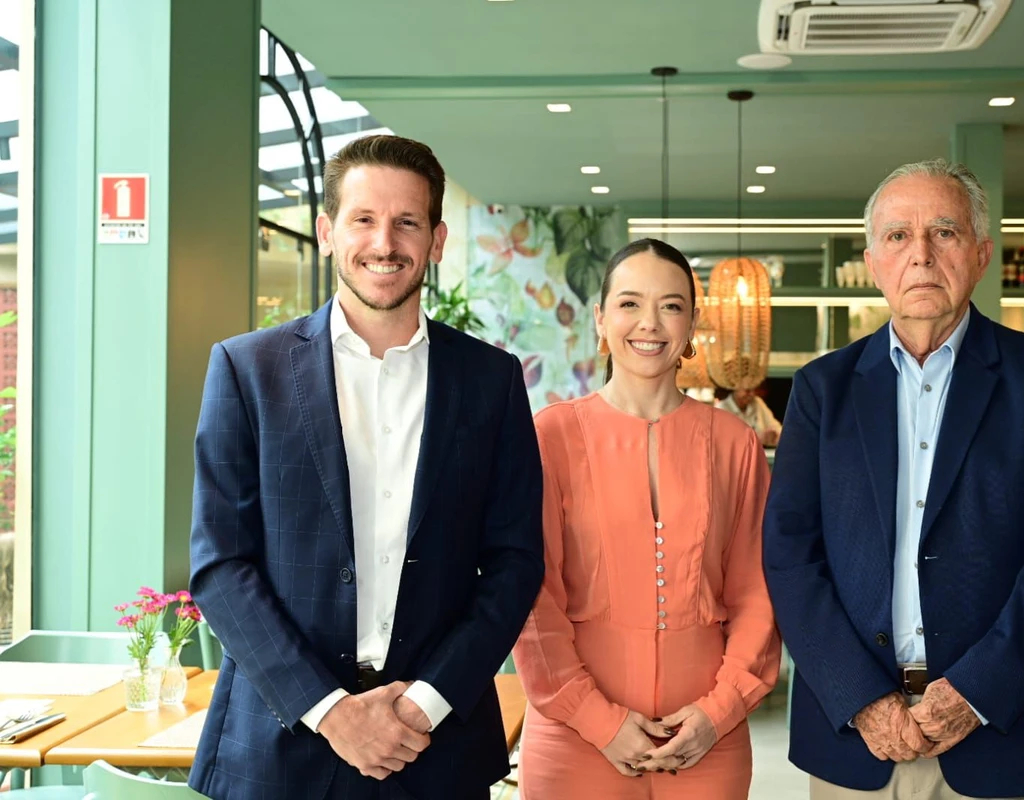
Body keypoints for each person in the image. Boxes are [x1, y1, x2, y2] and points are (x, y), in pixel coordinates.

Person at [188, 134, 544, 800]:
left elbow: (515, 561)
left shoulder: (491, 380)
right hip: (281, 748)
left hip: (436, 746)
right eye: (363, 219)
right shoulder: (246, 369)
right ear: (327, 232)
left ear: (436, 241)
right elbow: (220, 564)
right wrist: (331, 712)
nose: (385, 242)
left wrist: (427, 702)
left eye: (407, 222)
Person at [764, 159, 1024, 800]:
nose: (920, 255)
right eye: (898, 236)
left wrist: (975, 693)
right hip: (857, 740)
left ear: (981, 254)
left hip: (1006, 734)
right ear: (873, 263)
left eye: (944, 232)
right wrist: (861, 698)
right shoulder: (821, 389)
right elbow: (790, 557)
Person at [513, 238, 780, 800]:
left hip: (707, 738)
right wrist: (596, 720)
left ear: (692, 324)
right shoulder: (550, 435)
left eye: (671, 305)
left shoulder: (735, 443)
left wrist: (720, 710)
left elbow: (758, 592)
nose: (650, 323)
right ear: (600, 318)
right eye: (630, 303)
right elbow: (532, 597)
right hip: (574, 737)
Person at [715, 384, 782, 446]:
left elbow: (777, 428)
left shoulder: (757, 402)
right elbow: (725, 442)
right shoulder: (721, 408)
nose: (752, 394)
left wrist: (774, 434)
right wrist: (758, 439)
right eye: (747, 391)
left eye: (754, 390)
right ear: (735, 388)